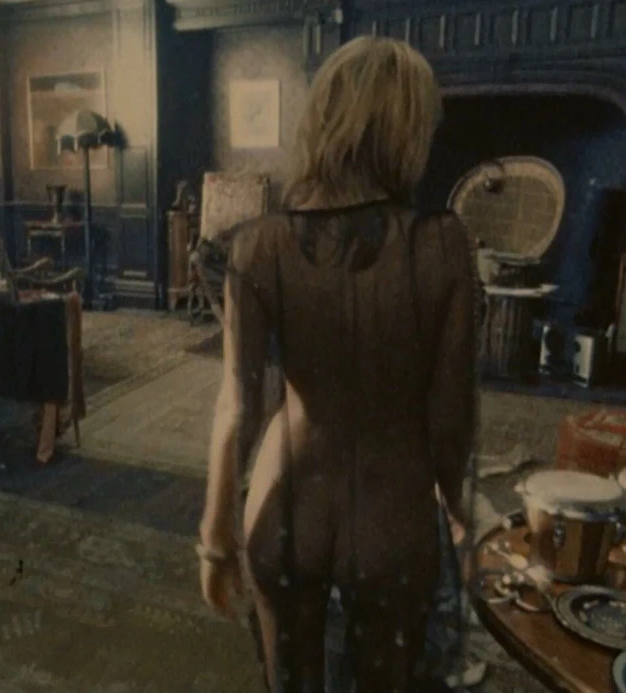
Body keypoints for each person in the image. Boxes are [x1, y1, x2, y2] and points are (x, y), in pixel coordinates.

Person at [197, 35, 478, 692]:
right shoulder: (444, 245)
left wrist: (215, 535)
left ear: (323, 117)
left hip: (286, 508)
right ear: (407, 133)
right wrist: (460, 512)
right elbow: (451, 424)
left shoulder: (259, 245)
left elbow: (236, 408)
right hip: (391, 518)